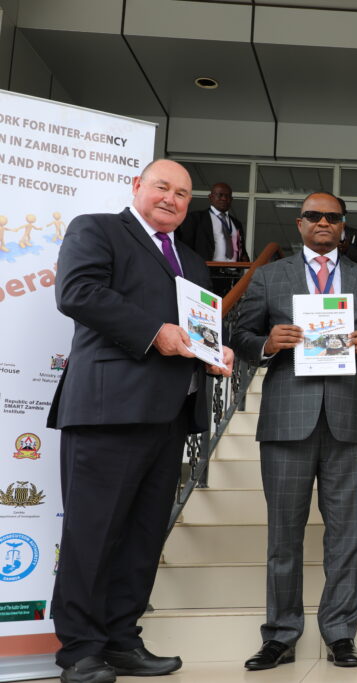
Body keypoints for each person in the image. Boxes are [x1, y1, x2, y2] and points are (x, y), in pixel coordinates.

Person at [47, 159, 235, 683]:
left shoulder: (194, 263)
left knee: (143, 536)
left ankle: (122, 639)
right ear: (137, 187)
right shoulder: (98, 229)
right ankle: (80, 650)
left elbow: (200, 331)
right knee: (93, 533)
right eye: (162, 187)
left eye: (182, 193)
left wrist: (217, 354)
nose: (172, 199)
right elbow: (78, 293)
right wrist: (156, 331)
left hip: (171, 415)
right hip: (109, 410)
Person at [232, 192, 357, 671]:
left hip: (345, 419)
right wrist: (266, 343)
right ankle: (281, 635)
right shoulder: (268, 275)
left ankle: (340, 633)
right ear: (300, 224)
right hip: (286, 419)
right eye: (314, 216)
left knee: (346, 535)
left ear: (343, 227)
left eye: (333, 217)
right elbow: (239, 337)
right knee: (284, 535)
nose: (324, 223)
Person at [177, 182, 249, 263]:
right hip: (207, 271)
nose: (224, 198)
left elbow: (241, 249)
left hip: (233, 272)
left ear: (231, 200)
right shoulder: (195, 218)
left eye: (227, 196)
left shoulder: (236, 223)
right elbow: (186, 247)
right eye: (220, 195)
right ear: (210, 197)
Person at [336, 197, 357, 266]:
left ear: (344, 214)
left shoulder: (356, 234)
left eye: (340, 214)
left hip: (348, 272)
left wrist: (347, 249)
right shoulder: (322, 231)